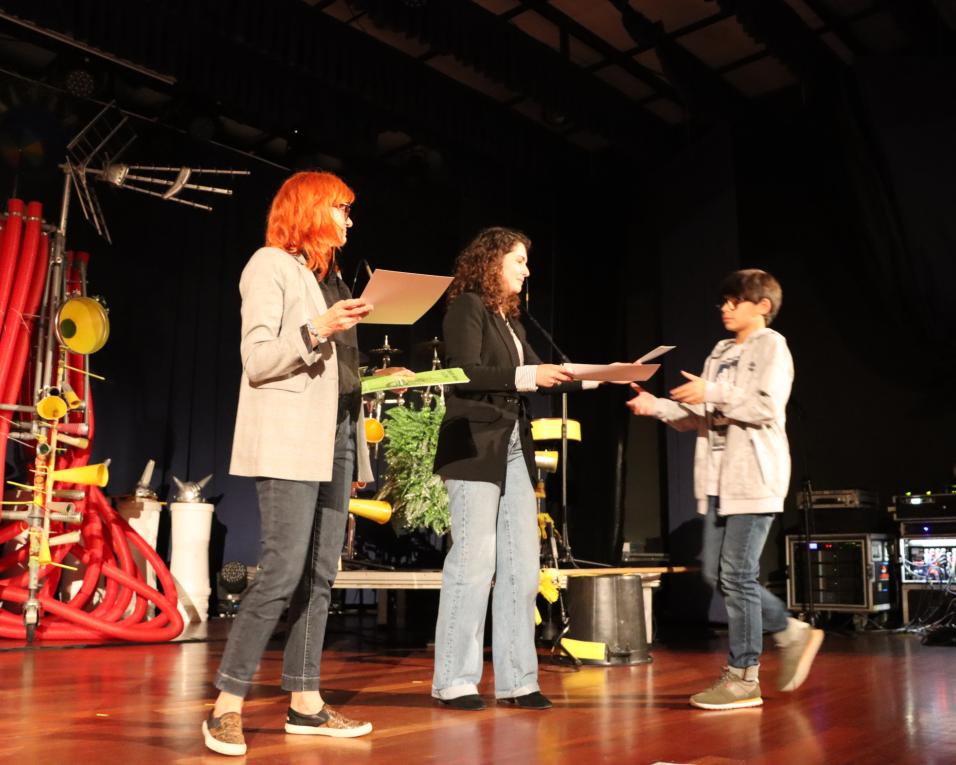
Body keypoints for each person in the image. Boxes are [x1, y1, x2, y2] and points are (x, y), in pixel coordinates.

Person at [203, 171, 401, 755]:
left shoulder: (331, 279)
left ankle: (305, 703)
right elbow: (259, 359)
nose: (348, 219)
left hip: (336, 434)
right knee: (283, 571)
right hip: (290, 437)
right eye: (342, 208)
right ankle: (227, 705)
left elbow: (332, 376)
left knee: (321, 576)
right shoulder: (269, 264)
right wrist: (319, 328)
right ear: (312, 209)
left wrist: (377, 378)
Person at [626, 268, 823, 710]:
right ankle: (791, 632)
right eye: (724, 300)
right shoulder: (718, 351)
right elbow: (706, 415)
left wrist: (711, 390)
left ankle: (743, 677)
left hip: (754, 475)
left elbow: (766, 405)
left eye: (736, 300)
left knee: (737, 575)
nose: (726, 307)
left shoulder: (773, 346)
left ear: (763, 306)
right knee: (718, 574)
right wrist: (656, 405)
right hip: (717, 480)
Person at [431, 226, 592, 711]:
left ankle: (519, 681)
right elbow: (465, 371)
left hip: (514, 447)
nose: (527, 269)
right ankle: (455, 681)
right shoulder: (468, 307)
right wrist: (529, 376)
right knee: (474, 564)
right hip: (474, 445)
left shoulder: (511, 321)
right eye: (519, 260)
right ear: (492, 262)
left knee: (523, 567)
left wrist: (599, 376)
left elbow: (545, 375)